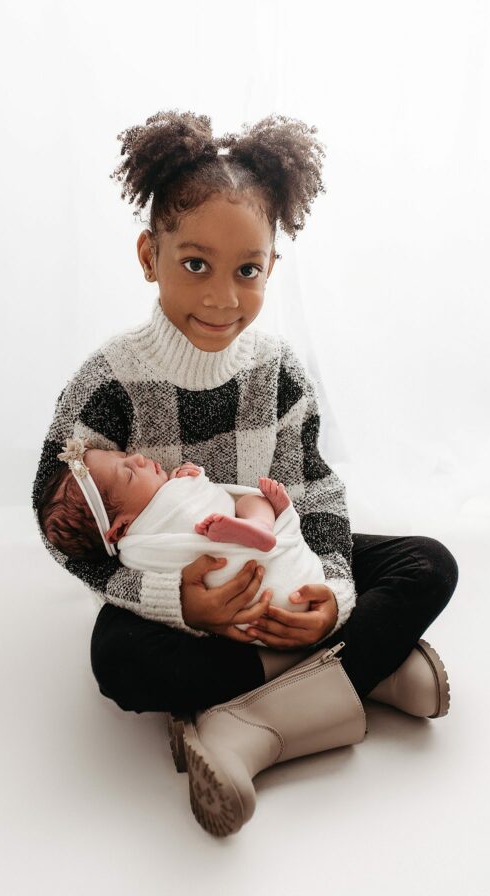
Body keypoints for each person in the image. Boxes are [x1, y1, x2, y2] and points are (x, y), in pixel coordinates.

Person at [32, 110, 459, 837]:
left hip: (281, 565)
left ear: (271, 267)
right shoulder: (106, 380)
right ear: (148, 254)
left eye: (248, 270)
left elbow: (315, 491)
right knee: (117, 660)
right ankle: (365, 672)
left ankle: (246, 728)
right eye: (194, 263)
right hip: (194, 596)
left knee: (429, 565)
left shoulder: (279, 371)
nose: (223, 298)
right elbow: (60, 520)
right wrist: (177, 601)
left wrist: (331, 590)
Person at [37, 438, 326, 625]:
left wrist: (182, 481)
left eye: (125, 455)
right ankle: (260, 525)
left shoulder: (136, 552)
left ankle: (256, 531)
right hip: (298, 580)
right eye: (128, 473)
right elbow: (203, 498)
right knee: (253, 501)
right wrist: (192, 479)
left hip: (261, 611)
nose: (137, 458)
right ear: (120, 527)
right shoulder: (154, 524)